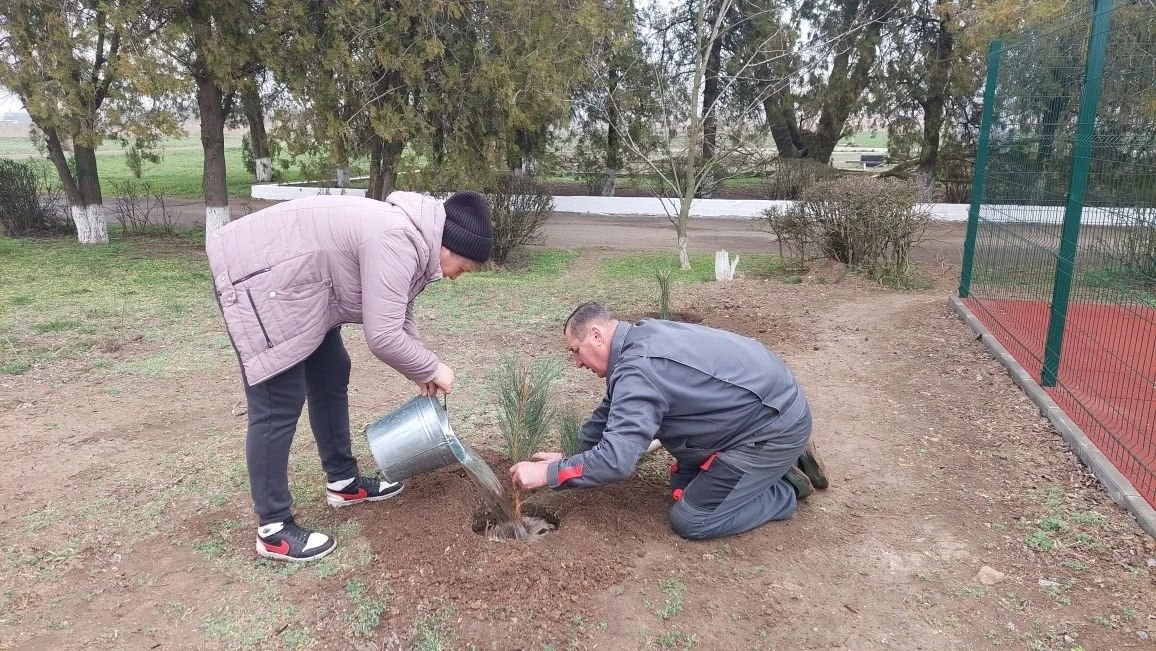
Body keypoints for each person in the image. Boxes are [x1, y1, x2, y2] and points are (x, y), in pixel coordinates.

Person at [206, 191, 493, 562]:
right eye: (462, 269)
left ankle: (343, 481)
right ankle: (273, 529)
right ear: (448, 247)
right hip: (261, 279)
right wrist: (433, 368)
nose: (455, 277)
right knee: (278, 399)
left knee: (331, 369)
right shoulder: (397, 239)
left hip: (303, 286)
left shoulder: (415, 238)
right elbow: (383, 336)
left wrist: (422, 365)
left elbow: (398, 309)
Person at [510, 302, 828, 540]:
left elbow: (616, 462)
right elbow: (609, 413)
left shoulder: (639, 369)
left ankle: (783, 488)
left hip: (771, 427)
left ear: (596, 335)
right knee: (682, 486)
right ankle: (771, 464)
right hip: (756, 409)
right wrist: (570, 456)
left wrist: (547, 473)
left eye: (576, 351)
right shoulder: (639, 339)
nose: (577, 363)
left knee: (692, 519)